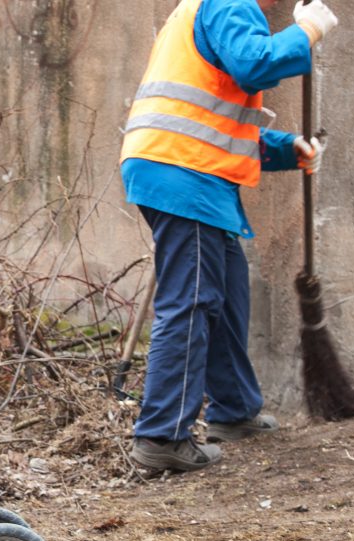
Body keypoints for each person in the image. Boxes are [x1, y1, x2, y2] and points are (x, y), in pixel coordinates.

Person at [119, 0, 338, 472]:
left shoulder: (206, 9)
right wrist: (307, 33)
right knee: (192, 299)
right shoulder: (229, 2)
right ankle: (161, 436)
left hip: (191, 170)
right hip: (183, 171)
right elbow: (255, 64)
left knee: (226, 291)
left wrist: (289, 148)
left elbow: (219, 124)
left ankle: (234, 410)